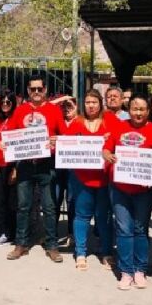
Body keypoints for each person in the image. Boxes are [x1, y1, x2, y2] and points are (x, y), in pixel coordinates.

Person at [103, 94, 152, 290]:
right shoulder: (118, 127)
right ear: (128, 109)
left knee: (140, 230)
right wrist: (108, 154)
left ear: (148, 111)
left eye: (142, 109)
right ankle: (126, 271)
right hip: (119, 189)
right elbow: (106, 149)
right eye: (134, 108)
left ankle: (140, 269)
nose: (138, 112)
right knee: (123, 230)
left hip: (143, 192)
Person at [5, 74, 64, 263]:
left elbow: (64, 136)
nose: (36, 92)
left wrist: (56, 142)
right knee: (23, 206)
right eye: (33, 89)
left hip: (47, 165)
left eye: (40, 89)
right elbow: (11, 134)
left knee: (49, 207)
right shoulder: (20, 110)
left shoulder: (54, 110)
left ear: (45, 90)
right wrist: (5, 146)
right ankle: (21, 244)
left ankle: (52, 245)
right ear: (28, 91)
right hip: (25, 165)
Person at [64, 89, 114, 271]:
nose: (91, 105)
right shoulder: (77, 123)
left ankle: (106, 252)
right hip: (82, 178)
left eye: (94, 102)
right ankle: (81, 253)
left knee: (104, 217)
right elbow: (65, 144)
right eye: (87, 102)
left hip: (104, 179)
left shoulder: (110, 121)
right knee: (82, 216)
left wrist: (112, 139)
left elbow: (123, 137)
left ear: (100, 103)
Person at [0, 93, 18, 247]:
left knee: (10, 202)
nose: (6, 103)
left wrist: (16, 169)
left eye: (9, 101)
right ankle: (1, 231)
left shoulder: (16, 120)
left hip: (11, 166)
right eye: (3, 101)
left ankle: (9, 233)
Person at [55, 96, 78, 244]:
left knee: (72, 201)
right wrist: (63, 99)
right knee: (55, 199)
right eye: (64, 106)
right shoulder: (57, 121)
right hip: (57, 166)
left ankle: (71, 233)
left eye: (70, 106)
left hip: (73, 169)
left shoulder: (81, 122)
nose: (67, 109)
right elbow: (49, 107)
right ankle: (52, 234)